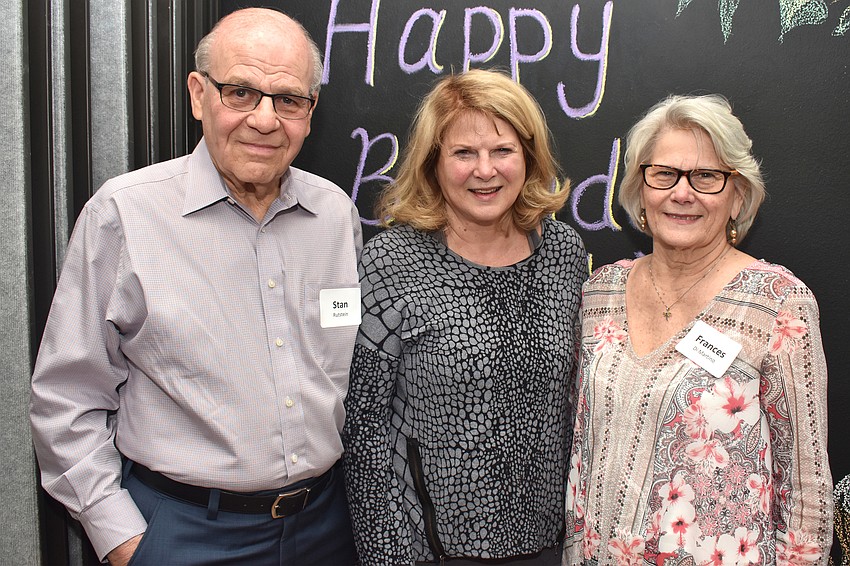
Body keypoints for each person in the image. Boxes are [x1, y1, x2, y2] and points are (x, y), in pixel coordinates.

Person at [29, 8, 362, 565]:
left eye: (288, 100)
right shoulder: (124, 214)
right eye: (241, 92)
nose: (265, 120)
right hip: (185, 534)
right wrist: (126, 542)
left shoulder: (334, 215)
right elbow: (66, 399)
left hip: (327, 527)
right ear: (198, 95)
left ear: (310, 112)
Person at [562, 94, 833, 564]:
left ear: (738, 195)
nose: (682, 193)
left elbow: (806, 490)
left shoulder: (778, 304)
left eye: (706, 176)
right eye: (664, 173)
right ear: (640, 189)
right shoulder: (599, 292)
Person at [342, 69, 588, 565]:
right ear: (433, 163)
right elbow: (364, 427)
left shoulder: (563, 251)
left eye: (502, 150)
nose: (485, 170)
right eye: (463, 153)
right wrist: (386, 556)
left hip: (550, 546)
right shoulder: (392, 261)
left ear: (528, 157)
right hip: (431, 552)